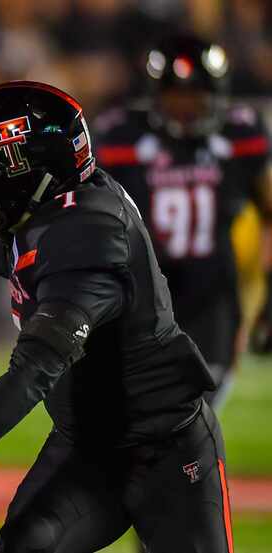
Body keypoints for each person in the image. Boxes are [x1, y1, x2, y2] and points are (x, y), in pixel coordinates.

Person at [0, 81, 233, 553]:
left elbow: (33, 372)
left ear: (27, 174)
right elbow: (36, 256)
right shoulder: (56, 207)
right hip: (87, 449)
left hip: (166, 450)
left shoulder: (91, 234)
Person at [93, 34, 272, 409]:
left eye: (197, 96)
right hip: (140, 294)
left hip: (212, 295)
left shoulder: (240, 134)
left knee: (199, 413)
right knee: (129, 413)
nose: (187, 107)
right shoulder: (120, 138)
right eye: (177, 96)